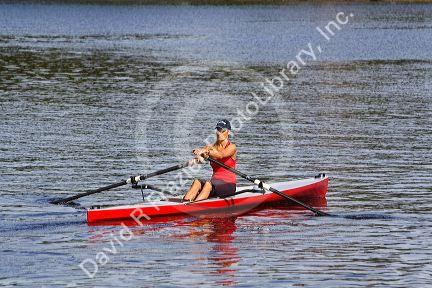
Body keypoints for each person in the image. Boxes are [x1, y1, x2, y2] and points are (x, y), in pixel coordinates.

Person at [183, 119, 237, 202]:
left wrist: (205, 151)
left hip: (228, 185)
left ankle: (195, 207)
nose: (219, 133)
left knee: (208, 184)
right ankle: (184, 204)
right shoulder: (210, 147)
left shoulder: (232, 147)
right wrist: (195, 159)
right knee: (197, 182)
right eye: (218, 130)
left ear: (228, 132)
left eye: (223, 130)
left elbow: (220, 155)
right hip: (214, 184)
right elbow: (200, 160)